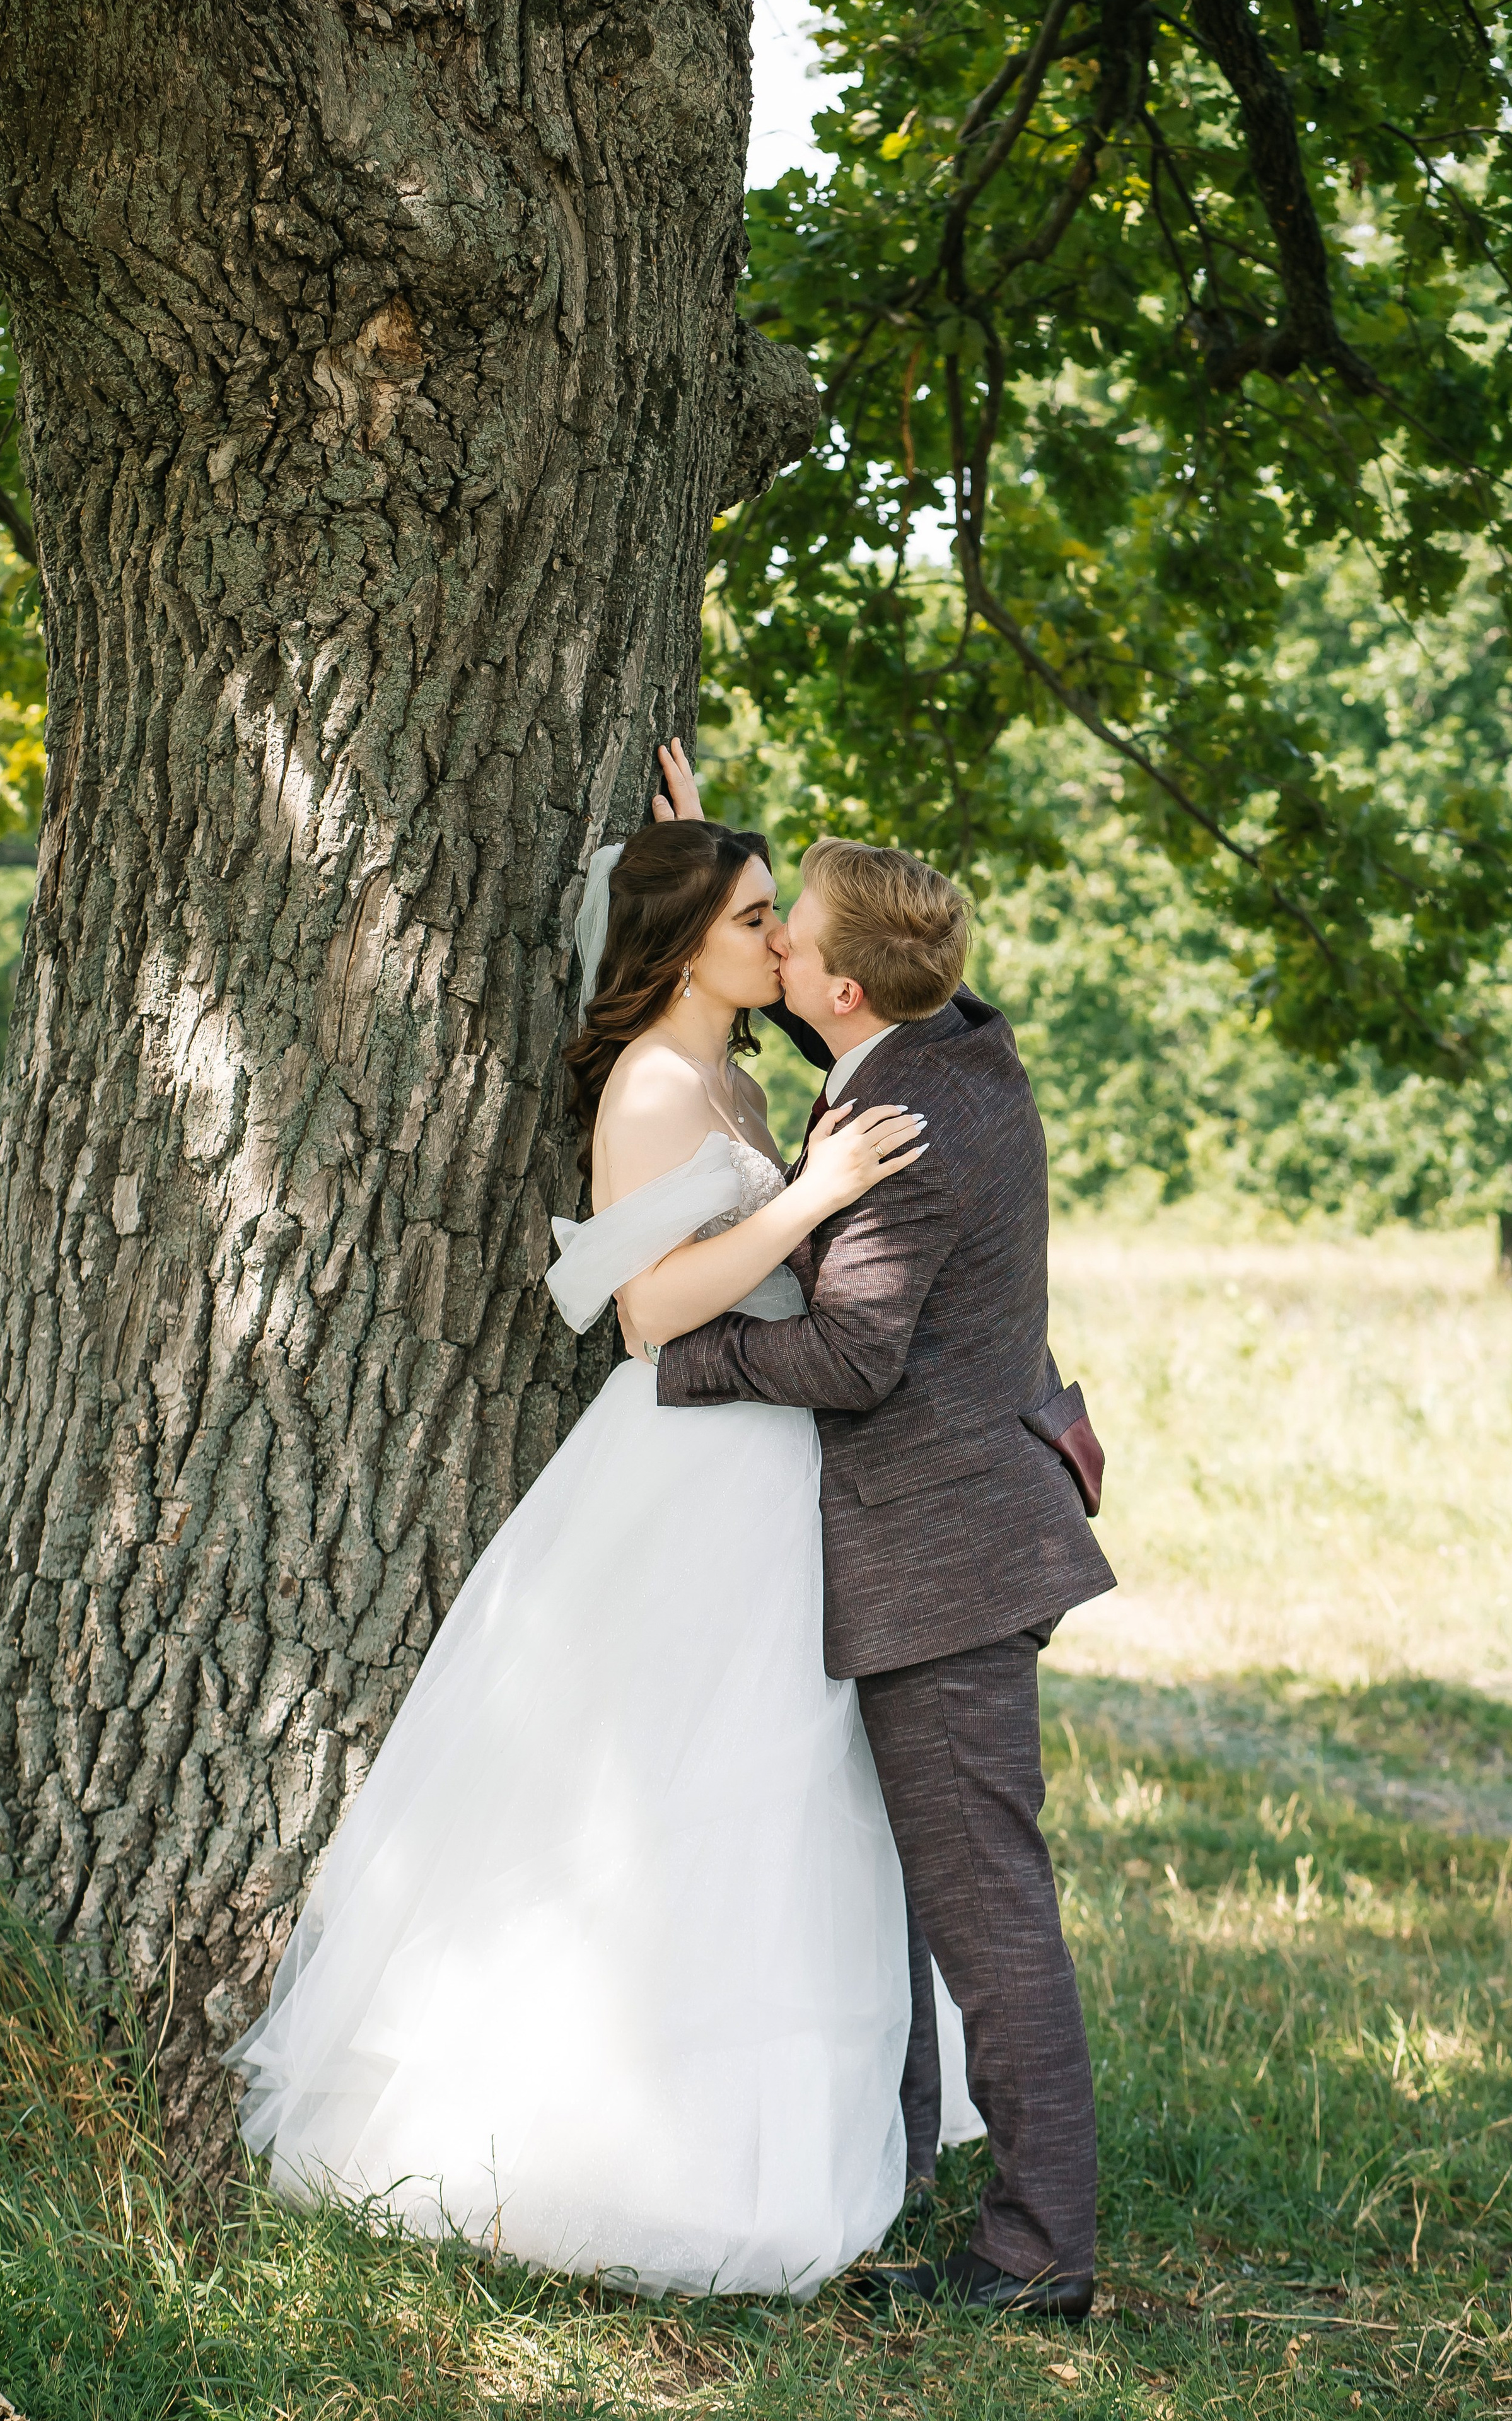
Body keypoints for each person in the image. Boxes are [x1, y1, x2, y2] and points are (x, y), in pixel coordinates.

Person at [225, 817, 948, 2300]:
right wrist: (810, 1197)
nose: (781, 941)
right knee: (668, 1778)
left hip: (772, 1456)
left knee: (779, 1780)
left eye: (776, 914)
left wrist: (701, 821)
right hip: (688, 1464)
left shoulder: (733, 1071)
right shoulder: (653, 1083)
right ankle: (595, 2153)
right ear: (683, 945)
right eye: (752, 917)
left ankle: (752, 2143)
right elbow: (645, 1311)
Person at [649, 743, 1115, 2318]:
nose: (771, 948)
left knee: (983, 1908)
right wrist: (702, 867)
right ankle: (896, 2172)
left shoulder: (904, 1127)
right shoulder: (949, 1039)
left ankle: (1039, 2251)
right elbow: (840, 1004)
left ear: (842, 986)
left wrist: (685, 1355)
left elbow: (852, 1357)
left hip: (949, 1554)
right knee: (913, 1894)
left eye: (786, 934)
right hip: (966, 1522)